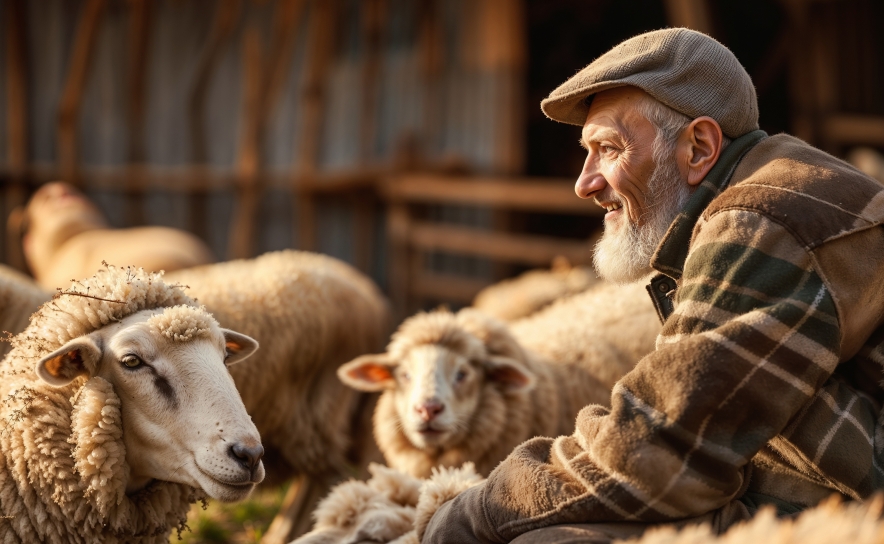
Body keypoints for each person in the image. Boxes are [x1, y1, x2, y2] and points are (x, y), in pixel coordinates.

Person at [422, 27, 884, 544]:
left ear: (699, 147)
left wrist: (474, 512)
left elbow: (661, 444)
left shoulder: (761, 219)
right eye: (585, 151)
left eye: (608, 149)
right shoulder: (767, 190)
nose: (584, 182)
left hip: (848, 508)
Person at [13, 181, 215, 290]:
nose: (60, 192)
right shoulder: (22, 299)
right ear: (29, 245)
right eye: (46, 199)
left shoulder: (133, 236)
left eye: (73, 194)